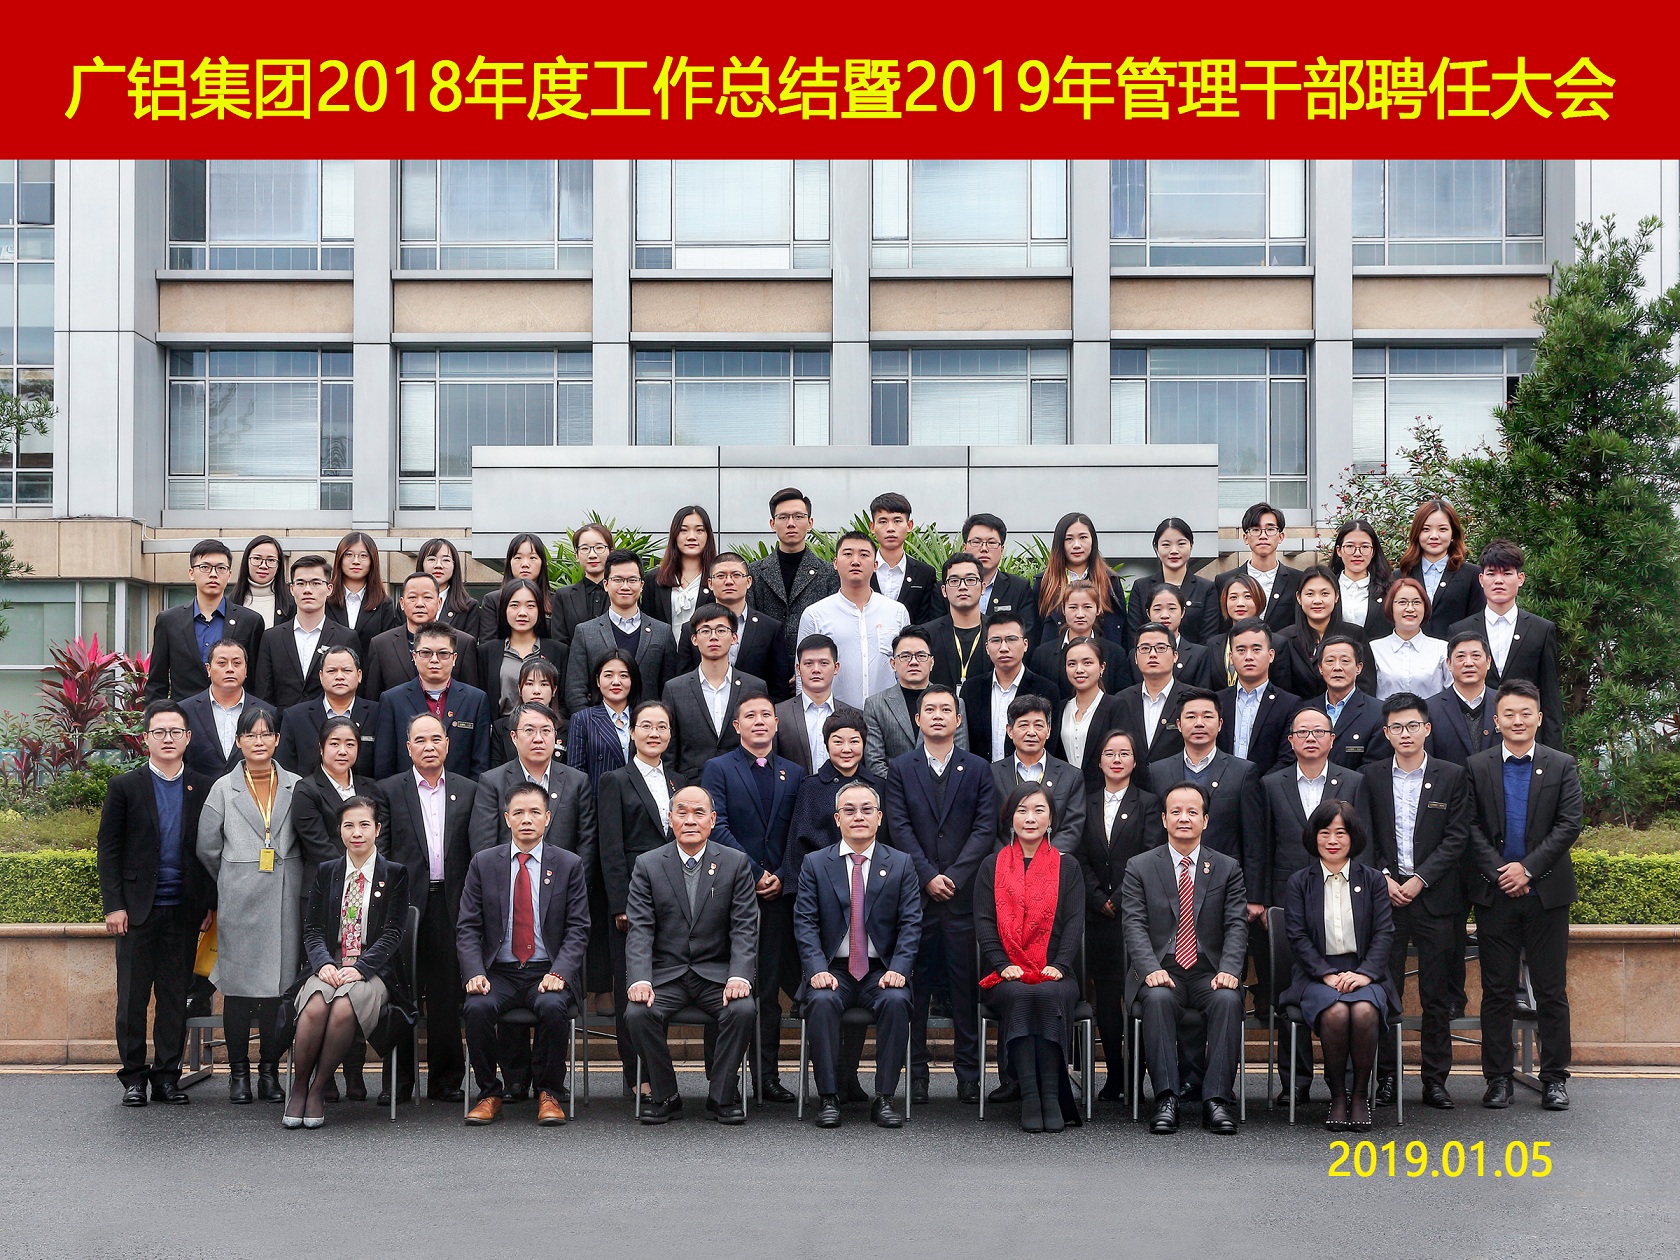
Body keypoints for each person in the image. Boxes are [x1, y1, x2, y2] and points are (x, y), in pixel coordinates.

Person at [1464, 680, 1582, 1112]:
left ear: (1539, 718)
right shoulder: (1476, 766)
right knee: (1496, 990)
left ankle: (1554, 1078)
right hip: (1495, 893)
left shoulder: (1561, 764)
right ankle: (1498, 1078)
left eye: (1525, 713)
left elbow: (1569, 824)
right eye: (1509, 714)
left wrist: (1527, 868)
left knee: (1551, 989)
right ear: (1496, 721)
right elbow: (1468, 826)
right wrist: (1502, 872)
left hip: (1546, 893)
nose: (1517, 720)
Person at [882, 684, 997, 1105]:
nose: (937, 716)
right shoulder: (900, 768)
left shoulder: (978, 768)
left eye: (945, 710)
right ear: (917, 719)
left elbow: (985, 828)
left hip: (962, 900)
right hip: (917, 898)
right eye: (929, 709)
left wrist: (955, 876)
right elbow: (898, 827)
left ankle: (968, 1075)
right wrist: (928, 875)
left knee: (965, 991)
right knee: (917, 991)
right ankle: (917, 1075)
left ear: (958, 719)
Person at [1249, 708, 1371, 1102]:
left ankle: (1348, 1083)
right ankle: (1296, 1082)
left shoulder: (1353, 781)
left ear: (1332, 739)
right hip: (1287, 901)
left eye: (1319, 731)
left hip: (1344, 897)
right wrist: (1261, 900)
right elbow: (1261, 845)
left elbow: (1363, 843)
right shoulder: (1271, 783)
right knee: (1290, 991)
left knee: (1347, 990)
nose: (1311, 738)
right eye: (1302, 732)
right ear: (1291, 741)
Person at [99, 701, 217, 1107]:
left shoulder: (204, 786)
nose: (168, 739)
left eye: (175, 732)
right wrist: (113, 905)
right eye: (159, 732)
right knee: (132, 999)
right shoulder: (124, 786)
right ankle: (133, 1077)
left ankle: (167, 1077)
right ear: (145, 738)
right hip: (135, 912)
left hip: (184, 910)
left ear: (188, 738)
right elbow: (109, 849)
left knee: (173, 999)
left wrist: (208, 903)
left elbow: (210, 850)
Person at [624, 785, 761, 1125]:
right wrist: (640, 978)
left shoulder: (735, 863)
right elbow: (640, 929)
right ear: (669, 819)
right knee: (638, 1013)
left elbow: (744, 927)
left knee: (743, 1009)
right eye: (681, 812)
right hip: (667, 975)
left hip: (716, 975)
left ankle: (722, 1096)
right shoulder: (648, 864)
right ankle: (665, 1095)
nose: (690, 820)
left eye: (699, 813)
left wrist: (739, 975)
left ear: (712, 820)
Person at [458, 783, 591, 1126]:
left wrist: (560, 973)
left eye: (534, 812)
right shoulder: (484, 863)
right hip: (499, 971)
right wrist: (474, 972)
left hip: (546, 969)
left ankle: (549, 1092)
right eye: (518, 813)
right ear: (507, 819)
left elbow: (578, 929)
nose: (526, 819)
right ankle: (489, 1093)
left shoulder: (568, 864)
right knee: (477, 1007)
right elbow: (468, 927)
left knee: (552, 1006)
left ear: (547, 818)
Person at [1120, 781, 1248, 1135]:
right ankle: (1167, 1098)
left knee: (1228, 1000)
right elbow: (1133, 923)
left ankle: (1216, 1100)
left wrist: (1230, 969)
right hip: (1163, 969)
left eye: (1193, 811)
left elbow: (1236, 924)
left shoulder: (1227, 867)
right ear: (1164, 819)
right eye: (1175, 811)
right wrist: (1149, 968)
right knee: (1158, 999)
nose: (1184, 818)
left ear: (1205, 820)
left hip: (1210, 972)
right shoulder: (1140, 866)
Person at [794, 779, 922, 1128]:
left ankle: (884, 1099)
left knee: (896, 1001)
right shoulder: (815, 863)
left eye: (867, 809)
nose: (858, 816)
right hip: (832, 969)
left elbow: (911, 923)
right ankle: (829, 1098)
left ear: (879, 817)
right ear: (837, 819)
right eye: (849, 810)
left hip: (881, 971)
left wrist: (899, 968)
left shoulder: (900, 863)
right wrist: (816, 969)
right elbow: (805, 923)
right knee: (820, 1002)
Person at [1366, 692, 1472, 1110]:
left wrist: (1421, 879)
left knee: (1436, 996)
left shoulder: (1452, 775)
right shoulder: (1371, 776)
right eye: (1396, 727)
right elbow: (1364, 836)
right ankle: (1387, 1078)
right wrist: (1384, 877)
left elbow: (1457, 837)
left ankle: (1435, 1080)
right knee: (1384, 992)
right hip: (1385, 899)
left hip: (1436, 899)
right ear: (1386, 733)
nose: (1405, 733)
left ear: (1427, 729)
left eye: (1412, 725)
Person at [702, 695, 807, 1101]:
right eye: (750, 716)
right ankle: (721, 1079)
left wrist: (781, 874)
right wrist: (754, 870)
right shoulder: (718, 769)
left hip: (778, 895)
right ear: (736, 726)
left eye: (766, 715)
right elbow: (717, 826)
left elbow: (799, 831)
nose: (759, 721)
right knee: (725, 987)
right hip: (730, 892)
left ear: (777, 724)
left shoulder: (794, 773)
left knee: (767, 991)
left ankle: (767, 1077)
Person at [195, 707, 302, 1106]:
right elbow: (207, 848)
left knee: (278, 992)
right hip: (239, 900)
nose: (259, 741)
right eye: (251, 735)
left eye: (266, 734)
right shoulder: (223, 789)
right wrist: (233, 873)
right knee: (237, 993)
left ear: (277, 740)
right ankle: (238, 1074)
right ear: (239, 742)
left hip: (284, 900)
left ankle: (269, 1073)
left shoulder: (295, 785)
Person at [285, 797, 411, 1129]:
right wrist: (324, 964)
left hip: (374, 969)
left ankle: (317, 1089)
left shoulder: (394, 874)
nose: (357, 833)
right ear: (340, 831)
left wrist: (360, 968)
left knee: (343, 1005)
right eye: (349, 826)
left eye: (364, 825)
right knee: (315, 1003)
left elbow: (393, 934)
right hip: (330, 963)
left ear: (377, 829)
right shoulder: (327, 872)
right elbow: (312, 929)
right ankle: (299, 1086)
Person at [1280, 800, 1398, 1131]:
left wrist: (1364, 974)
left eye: (1341, 832)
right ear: (1313, 837)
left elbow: (1384, 933)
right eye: (1325, 832)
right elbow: (1297, 937)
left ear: (1353, 837)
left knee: (1363, 1011)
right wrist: (1326, 974)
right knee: (1334, 1013)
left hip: (1365, 972)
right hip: (1315, 974)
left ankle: (1359, 1095)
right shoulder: (1300, 882)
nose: (1332, 840)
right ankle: (1337, 1097)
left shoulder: (1373, 880)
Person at [975, 784, 1086, 1131]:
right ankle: (1030, 1096)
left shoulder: (1068, 866)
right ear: (1010, 817)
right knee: (1022, 995)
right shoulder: (992, 865)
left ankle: (1051, 1095)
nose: (1030, 818)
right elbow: (984, 922)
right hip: (1004, 971)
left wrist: (1060, 964)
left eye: (1039, 810)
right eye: (1022, 810)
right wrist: (1003, 964)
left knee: (1048, 993)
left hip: (1056, 969)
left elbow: (1075, 922)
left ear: (1051, 819)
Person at [379, 711, 477, 1104]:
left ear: (447, 744)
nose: (429, 746)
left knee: (446, 994)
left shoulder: (469, 790)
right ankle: (399, 1082)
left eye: (436, 739)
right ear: (408, 748)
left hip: (452, 903)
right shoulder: (389, 790)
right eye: (420, 740)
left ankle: (445, 1080)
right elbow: (382, 852)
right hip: (405, 906)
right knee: (400, 993)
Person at [289, 714, 387, 1104]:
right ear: (320, 748)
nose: (342, 750)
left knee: (356, 980)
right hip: (325, 894)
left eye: (350, 744)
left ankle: (355, 1070)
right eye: (335, 743)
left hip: (370, 896)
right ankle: (323, 1078)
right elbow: (316, 842)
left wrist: (368, 870)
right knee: (329, 984)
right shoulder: (306, 789)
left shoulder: (370, 788)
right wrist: (354, 864)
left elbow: (382, 838)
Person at [597, 701, 682, 1098]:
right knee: (632, 987)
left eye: (661, 726)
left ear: (670, 734)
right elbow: (610, 847)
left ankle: (659, 1074)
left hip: (676, 900)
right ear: (631, 733)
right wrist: (620, 904)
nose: (653, 733)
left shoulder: (680, 781)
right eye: (645, 726)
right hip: (633, 900)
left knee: (662, 988)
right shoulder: (615, 780)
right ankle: (637, 1077)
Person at [1074, 729, 1161, 1102]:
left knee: (1137, 997)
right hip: (1098, 917)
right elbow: (1077, 855)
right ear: (1099, 760)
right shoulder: (1086, 802)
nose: (1116, 759)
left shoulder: (1150, 803)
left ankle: (1138, 1077)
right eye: (1109, 753)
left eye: (1124, 753)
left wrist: (1121, 897)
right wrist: (1098, 897)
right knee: (1107, 998)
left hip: (1137, 913)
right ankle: (1115, 1075)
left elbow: (1151, 853)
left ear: (1135, 760)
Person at [1449, 540, 1563, 750]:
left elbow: (1550, 696)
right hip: (1475, 740)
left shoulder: (1541, 629)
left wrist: (1552, 754)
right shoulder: (1460, 630)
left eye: (1507, 573)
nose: (1498, 581)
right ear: (1481, 579)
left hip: (1526, 739)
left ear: (1520, 579)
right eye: (1491, 574)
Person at [1146, 689, 1263, 864]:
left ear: (1220, 724)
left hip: (1224, 875)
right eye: (1191, 717)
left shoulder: (1243, 772)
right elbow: (1153, 836)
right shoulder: (1157, 772)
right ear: (1179, 724)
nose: (1199, 723)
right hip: (1169, 873)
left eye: (1207, 717)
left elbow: (1253, 843)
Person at [798, 531, 910, 711]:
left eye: (864, 555)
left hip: (887, 715)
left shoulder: (896, 611)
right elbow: (802, 676)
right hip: (834, 718)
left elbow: (905, 668)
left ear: (875, 565)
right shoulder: (815, 615)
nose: (855, 561)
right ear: (835, 563)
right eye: (848, 554)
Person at [144, 539, 266, 702]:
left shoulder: (250, 621)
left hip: (235, 712)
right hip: (183, 713)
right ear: (191, 573)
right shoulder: (169, 621)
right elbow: (156, 683)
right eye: (205, 567)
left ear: (229, 574)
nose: (213, 574)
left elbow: (257, 681)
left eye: (221, 568)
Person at [562, 549, 679, 715]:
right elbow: (575, 691)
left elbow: (669, 690)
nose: (625, 586)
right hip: (598, 726)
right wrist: (593, 725)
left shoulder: (662, 632)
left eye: (632, 580)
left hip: (648, 726)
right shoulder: (585, 632)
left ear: (642, 585)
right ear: (606, 584)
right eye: (617, 580)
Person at [662, 605, 769, 782]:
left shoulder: (754, 687)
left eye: (721, 630)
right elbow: (669, 749)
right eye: (705, 631)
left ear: (734, 637)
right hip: (691, 786)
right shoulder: (675, 689)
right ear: (694, 639)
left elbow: (765, 742)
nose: (713, 637)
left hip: (745, 782)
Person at [372, 622, 492, 780]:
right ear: (414, 657)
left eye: (443, 653)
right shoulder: (392, 700)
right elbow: (384, 764)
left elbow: (480, 764)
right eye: (426, 653)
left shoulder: (475, 700)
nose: (434, 660)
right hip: (406, 792)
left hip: (461, 792)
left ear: (454, 658)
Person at [676, 551, 792, 701]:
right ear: (710, 583)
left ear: (749, 581)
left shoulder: (770, 629)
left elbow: (779, 690)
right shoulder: (691, 629)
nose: (729, 581)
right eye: (721, 576)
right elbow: (683, 683)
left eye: (736, 575)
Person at [253, 554, 360, 711]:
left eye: (316, 583)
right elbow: (264, 693)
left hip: (330, 722)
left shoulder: (346, 637)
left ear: (329, 589)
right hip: (282, 722)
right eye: (301, 583)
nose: (308, 590)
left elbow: (354, 690)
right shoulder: (271, 638)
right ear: (292, 589)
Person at [747, 487, 841, 661]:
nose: (791, 523)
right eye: (783, 517)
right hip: (765, 668)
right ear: (772, 524)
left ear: (810, 523)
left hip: (813, 668)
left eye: (798, 516)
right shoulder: (753, 573)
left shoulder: (829, 573)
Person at [864, 625, 969, 778]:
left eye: (921, 655)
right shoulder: (875, 705)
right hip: (894, 789)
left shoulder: (954, 703)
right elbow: (875, 763)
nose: (913, 662)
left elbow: (960, 757)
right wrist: (905, 787)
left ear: (931, 662)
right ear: (893, 663)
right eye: (905, 656)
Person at [988, 695, 1086, 854]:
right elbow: (987, 826)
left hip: (1054, 862)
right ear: (1010, 731)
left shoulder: (1071, 776)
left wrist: (1044, 858)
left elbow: (1072, 827)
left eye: (1038, 725)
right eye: (1023, 725)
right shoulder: (991, 773)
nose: (1031, 732)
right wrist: (1010, 858)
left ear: (1048, 730)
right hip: (1005, 862)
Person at [364, 572, 482, 700]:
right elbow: (373, 698)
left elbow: (471, 698)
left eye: (427, 597)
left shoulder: (463, 643)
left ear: (439, 602)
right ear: (402, 603)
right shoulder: (381, 644)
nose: (419, 604)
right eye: (412, 597)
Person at [962, 611, 1057, 763]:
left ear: (1025, 644)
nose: (1004, 648)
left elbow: (1050, 744)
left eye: (1011, 639)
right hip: (981, 775)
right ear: (987, 647)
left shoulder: (1046, 690)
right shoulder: (971, 689)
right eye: (996, 640)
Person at [275, 645, 380, 778]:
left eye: (347, 670)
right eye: (332, 671)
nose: (339, 676)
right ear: (321, 676)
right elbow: (285, 771)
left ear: (359, 675)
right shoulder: (295, 717)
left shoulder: (377, 713)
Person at [1272, 565, 1374, 698]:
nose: (1317, 601)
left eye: (1325, 594)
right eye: (1310, 594)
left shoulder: (1354, 634)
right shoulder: (1284, 639)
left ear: (1336, 596)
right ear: (1299, 598)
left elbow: (1366, 686)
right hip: (1297, 710)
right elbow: (1280, 690)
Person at [181, 641, 279, 780]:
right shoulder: (185, 710)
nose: (230, 669)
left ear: (246, 669)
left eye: (237, 663)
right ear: (208, 669)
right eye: (222, 663)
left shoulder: (267, 711)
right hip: (199, 790)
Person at [1029, 511, 1126, 651]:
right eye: (1069, 539)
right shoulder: (1045, 582)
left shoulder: (1110, 581)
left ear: (1093, 540)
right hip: (1054, 659)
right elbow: (1034, 631)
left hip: (1101, 658)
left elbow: (1120, 629)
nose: (1076, 545)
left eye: (1083, 537)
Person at [1218, 617, 1302, 775]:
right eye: (1241, 650)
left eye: (1256, 650)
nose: (1248, 657)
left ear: (1271, 655)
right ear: (1231, 658)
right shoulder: (1217, 702)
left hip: (1267, 786)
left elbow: (1287, 759)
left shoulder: (1289, 705)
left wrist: (1257, 785)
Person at [477, 577, 567, 718]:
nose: (522, 613)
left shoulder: (558, 651)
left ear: (539, 610)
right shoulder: (486, 652)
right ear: (504, 609)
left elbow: (564, 703)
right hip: (501, 729)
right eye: (514, 605)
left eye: (530, 606)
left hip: (546, 727)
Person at [774, 634, 864, 774]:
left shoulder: (856, 716)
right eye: (808, 663)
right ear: (798, 669)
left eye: (824, 663)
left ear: (836, 667)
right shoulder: (779, 714)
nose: (816, 669)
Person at [1300, 635, 1391, 772]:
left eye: (1345, 661)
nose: (1337, 667)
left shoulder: (1378, 712)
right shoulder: (1305, 710)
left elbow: (1375, 767)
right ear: (1320, 668)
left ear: (1359, 668)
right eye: (1330, 661)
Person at [1028, 580, 1134, 696]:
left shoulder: (1115, 653)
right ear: (1063, 609)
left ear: (1098, 609)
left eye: (1087, 607)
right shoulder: (1042, 654)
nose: (1080, 614)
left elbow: (1122, 699)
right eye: (1073, 607)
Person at [1399, 498, 1484, 639]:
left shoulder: (1472, 575)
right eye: (1426, 529)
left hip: (1456, 650)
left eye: (1442, 529)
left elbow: (1477, 622)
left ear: (1453, 533)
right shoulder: (1401, 576)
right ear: (1417, 533)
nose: (1434, 536)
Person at [1128, 517, 1219, 647]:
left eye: (1181, 544)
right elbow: (1133, 636)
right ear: (1156, 547)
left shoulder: (1206, 589)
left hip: (1195, 659)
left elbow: (1208, 639)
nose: (1174, 551)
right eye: (1166, 545)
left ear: (1191, 545)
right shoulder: (1141, 587)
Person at [1051, 637, 1126, 793]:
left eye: (1087, 663)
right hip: (1065, 795)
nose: (1079, 669)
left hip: (1103, 795)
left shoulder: (1116, 706)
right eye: (1072, 664)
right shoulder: (1060, 708)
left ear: (1102, 667)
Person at [1214, 502, 1302, 633]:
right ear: (1245, 538)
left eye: (1270, 529)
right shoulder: (1224, 580)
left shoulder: (1298, 579)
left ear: (1281, 536)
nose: (1263, 536)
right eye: (1255, 530)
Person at [1113, 623, 1186, 766]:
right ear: (1135, 657)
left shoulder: (1190, 699)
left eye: (1161, 648)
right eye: (1145, 648)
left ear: (1175, 656)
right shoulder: (1121, 700)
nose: (1152, 654)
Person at [565, 651, 638, 790]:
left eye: (623, 675)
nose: (616, 682)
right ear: (598, 681)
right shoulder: (582, 719)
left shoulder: (643, 717)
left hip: (639, 799)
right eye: (608, 675)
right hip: (600, 798)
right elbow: (576, 773)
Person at [1425, 632, 1498, 767]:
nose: (1468, 663)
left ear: (1488, 662)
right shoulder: (1430, 709)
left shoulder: (1504, 704)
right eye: (1460, 657)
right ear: (1448, 664)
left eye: (1476, 656)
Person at [643, 505, 716, 638]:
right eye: (683, 530)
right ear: (674, 535)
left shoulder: (717, 578)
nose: (691, 537)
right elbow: (647, 624)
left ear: (708, 535)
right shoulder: (654, 578)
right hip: (663, 650)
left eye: (699, 530)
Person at [1370, 578, 1450, 700]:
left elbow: (1452, 692)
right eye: (1402, 602)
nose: (1410, 609)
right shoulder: (1374, 649)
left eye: (1416, 602)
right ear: (1390, 606)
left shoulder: (1442, 649)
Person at [469, 533, 554, 647]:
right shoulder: (493, 600)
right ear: (509, 562)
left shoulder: (555, 601)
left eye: (532, 558)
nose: (525, 564)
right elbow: (487, 646)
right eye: (518, 558)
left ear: (542, 562)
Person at [324, 532, 399, 658]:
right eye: (349, 555)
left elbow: (386, 649)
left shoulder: (384, 604)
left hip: (370, 669)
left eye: (363, 556)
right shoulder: (325, 599)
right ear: (340, 559)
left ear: (372, 561)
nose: (356, 561)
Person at [868, 492, 939, 623]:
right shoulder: (861, 569)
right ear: (872, 527)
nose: (890, 528)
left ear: (909, 525)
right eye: (883, 522)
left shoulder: (925, 573)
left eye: (897, 521)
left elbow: (927, 623)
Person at [922, 553, 988, 691]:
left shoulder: (997, 633)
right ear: (944, 590)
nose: (962, 586)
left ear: (983, 587)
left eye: (970, 580)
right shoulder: (926, 635)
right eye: (954, 581)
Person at [492, 657, 564, 770]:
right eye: (529, 684)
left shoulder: (568, 728)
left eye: (544, 684)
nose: (536, 691)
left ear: (554, 690)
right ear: (519, 689)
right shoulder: (501, 727)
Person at [1328, 518, 1394, 642]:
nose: (1357, 553)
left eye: (1364, 546)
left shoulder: (1390, 590)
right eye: (1350, 546)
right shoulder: (1326, 587)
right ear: (1339, 551)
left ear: (1373, 551)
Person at [1144, 585, 1218, 691]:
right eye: (1157, 609)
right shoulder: (1136, 654)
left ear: (1182, 612)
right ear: (1148, 613)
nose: (1165, 615)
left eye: (1172, 609)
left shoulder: (1199, 655)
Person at [553, 522, 613, 646]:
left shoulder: (622, 592)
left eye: (599, 547)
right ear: (577, 555)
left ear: (611, 552)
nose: (592, 555)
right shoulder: (563, 596)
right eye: (585, 549)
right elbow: (560, 642)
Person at [417, 537, 481, 633]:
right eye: (431, 559)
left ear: (454, 565)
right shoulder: (407, 603)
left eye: (446, 560)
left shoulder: (468, 606)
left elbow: (469, 641)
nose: (438, 565)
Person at [1215, 572, 1267, 685]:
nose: (1240, 604)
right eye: (1233, 597)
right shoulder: (1213, 645)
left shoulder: (1278, 643)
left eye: (1247, 596)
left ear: (1259, 599)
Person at [232, 535, 292, 631]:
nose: (263, 566)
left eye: (271, 560)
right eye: (257, 558)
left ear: (279, 565)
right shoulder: (230, 602)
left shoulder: (292, 605)